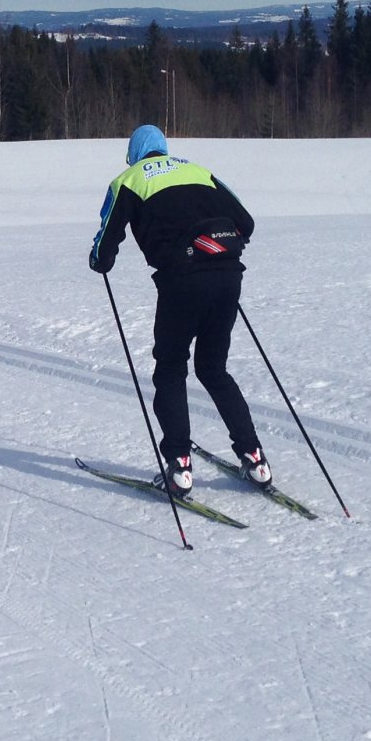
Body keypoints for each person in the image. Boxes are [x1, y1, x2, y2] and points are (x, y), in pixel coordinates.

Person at [89, 125, 269, 496]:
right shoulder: (198, 171)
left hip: (181, 282)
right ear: (164, 148)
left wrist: (99, 260)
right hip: (227, 277)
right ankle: (255, 458)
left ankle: (179, 467)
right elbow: (246, 223)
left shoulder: (129, 180)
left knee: (171, 369)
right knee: (214, 369)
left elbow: (106, 242)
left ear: (134, 153)